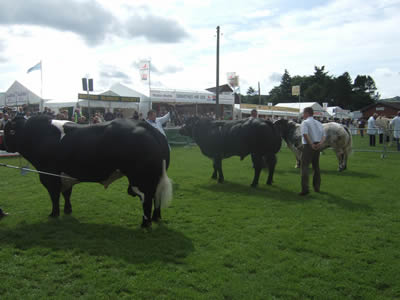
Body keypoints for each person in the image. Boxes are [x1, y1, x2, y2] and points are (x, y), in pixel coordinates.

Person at [299, 107, 326, 196]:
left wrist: (311, 144)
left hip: (308, 146)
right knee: (316, 167)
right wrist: (320, 144)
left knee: (305, 167)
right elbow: (324, 136)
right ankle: (317, 187)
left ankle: (305, 189)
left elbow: (305, 134)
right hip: (318, 145)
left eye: (303, 113)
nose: (303, 115)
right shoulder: (319, 123)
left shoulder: (305, 122)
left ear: (307, 113)